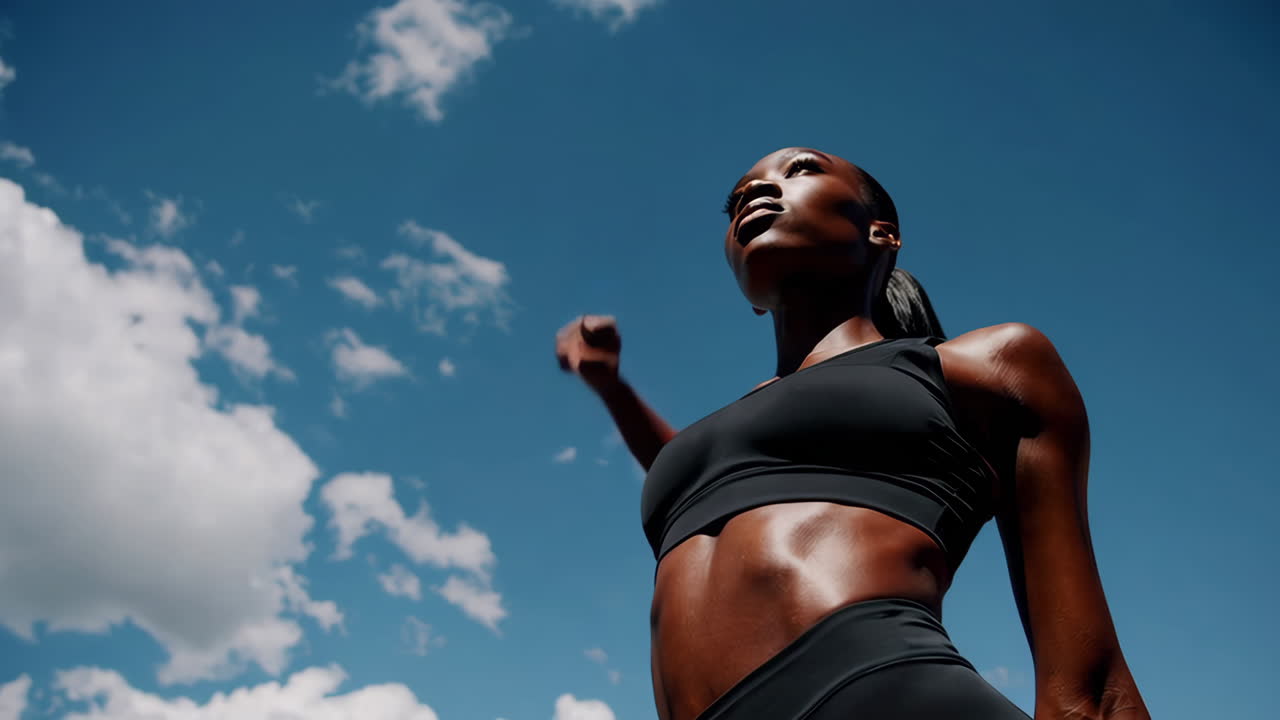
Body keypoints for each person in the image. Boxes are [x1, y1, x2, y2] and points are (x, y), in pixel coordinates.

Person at [555, 147, 1149, 720]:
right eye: (735, 196)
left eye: (801, 169)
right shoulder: (732, 429)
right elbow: (721, 484)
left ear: (882, 233)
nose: (754, 191)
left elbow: (1087, 686)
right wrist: (611, 387)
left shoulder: (984, 365)